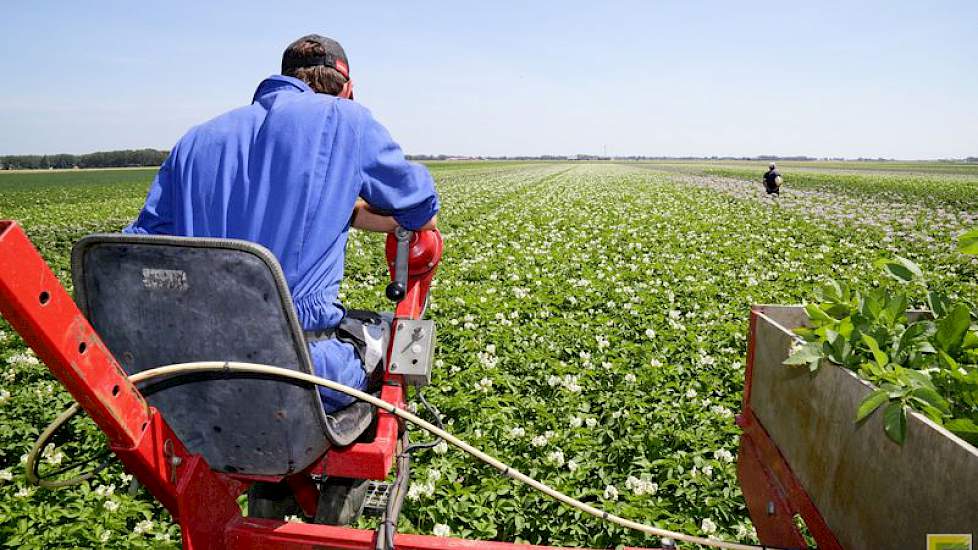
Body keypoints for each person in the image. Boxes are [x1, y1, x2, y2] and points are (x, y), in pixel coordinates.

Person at [123, 34, 439, 413]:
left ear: (284, 75)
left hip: (191, 371)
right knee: (392, 337)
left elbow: (142, 242)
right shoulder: (346, 119)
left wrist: (344, 209)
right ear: (348, 90)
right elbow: (421, 208)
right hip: (302, 372)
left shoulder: (195, 139)